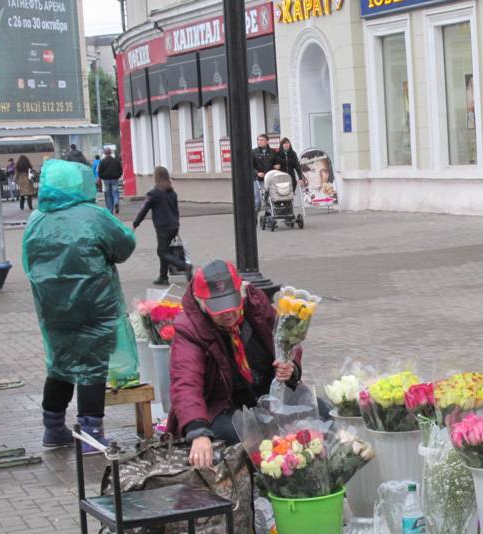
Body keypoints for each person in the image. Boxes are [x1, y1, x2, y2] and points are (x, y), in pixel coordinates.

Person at [22, 159, 135, 452]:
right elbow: (125, 245)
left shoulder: (36, 219)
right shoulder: (94, 216)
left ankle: (53, 427)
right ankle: (91, 432)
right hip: (94, 305)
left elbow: (27, 260)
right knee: (91, 367)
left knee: (60, 364)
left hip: (52, 309)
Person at [167, 260, 301, 468]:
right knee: (250, 439)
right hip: (220, 407)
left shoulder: (256, 305)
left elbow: (286, 341)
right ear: (202, 304)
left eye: (232, 304)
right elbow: (185, 384)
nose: (228, 313)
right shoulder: (189, 329)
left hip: (268, 396)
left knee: (318, 414)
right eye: (219, 309)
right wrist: (198, 432)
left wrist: (291, 367)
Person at [133, 166, 189, 286]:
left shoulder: (154, 193)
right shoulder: (172, 193)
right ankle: (163, 277)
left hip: (163, 227)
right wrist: (176, 224)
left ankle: (184, 266)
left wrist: (135, 224)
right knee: (165, 250)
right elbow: (176, 211)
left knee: (162, 252)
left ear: (156, 178)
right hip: (173, 226)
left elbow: (143, 210)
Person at [251, 134, 279, 212]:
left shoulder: (273, 152)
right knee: (258, 201)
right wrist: (257, 173)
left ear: (267, 141)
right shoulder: (253, 152)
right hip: (257, 180)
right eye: (258, 140)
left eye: (262, 140)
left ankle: (269, 218)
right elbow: (250, 166)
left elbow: (276, 164)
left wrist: (277, 166)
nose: (259, 142)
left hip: (269, 180)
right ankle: (254, 218)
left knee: (269, 200)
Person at [97, 147, 123, 214]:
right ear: (111, 153)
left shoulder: (102, 161)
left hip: (106, 180)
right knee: (115, 192)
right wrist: (118, 176)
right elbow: (120, 170)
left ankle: (110, 210)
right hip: (114, 179)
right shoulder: (116, 160)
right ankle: (116, 202)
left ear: (105, 153)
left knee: (108, 195)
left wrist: (103, 177)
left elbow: (100, 172)